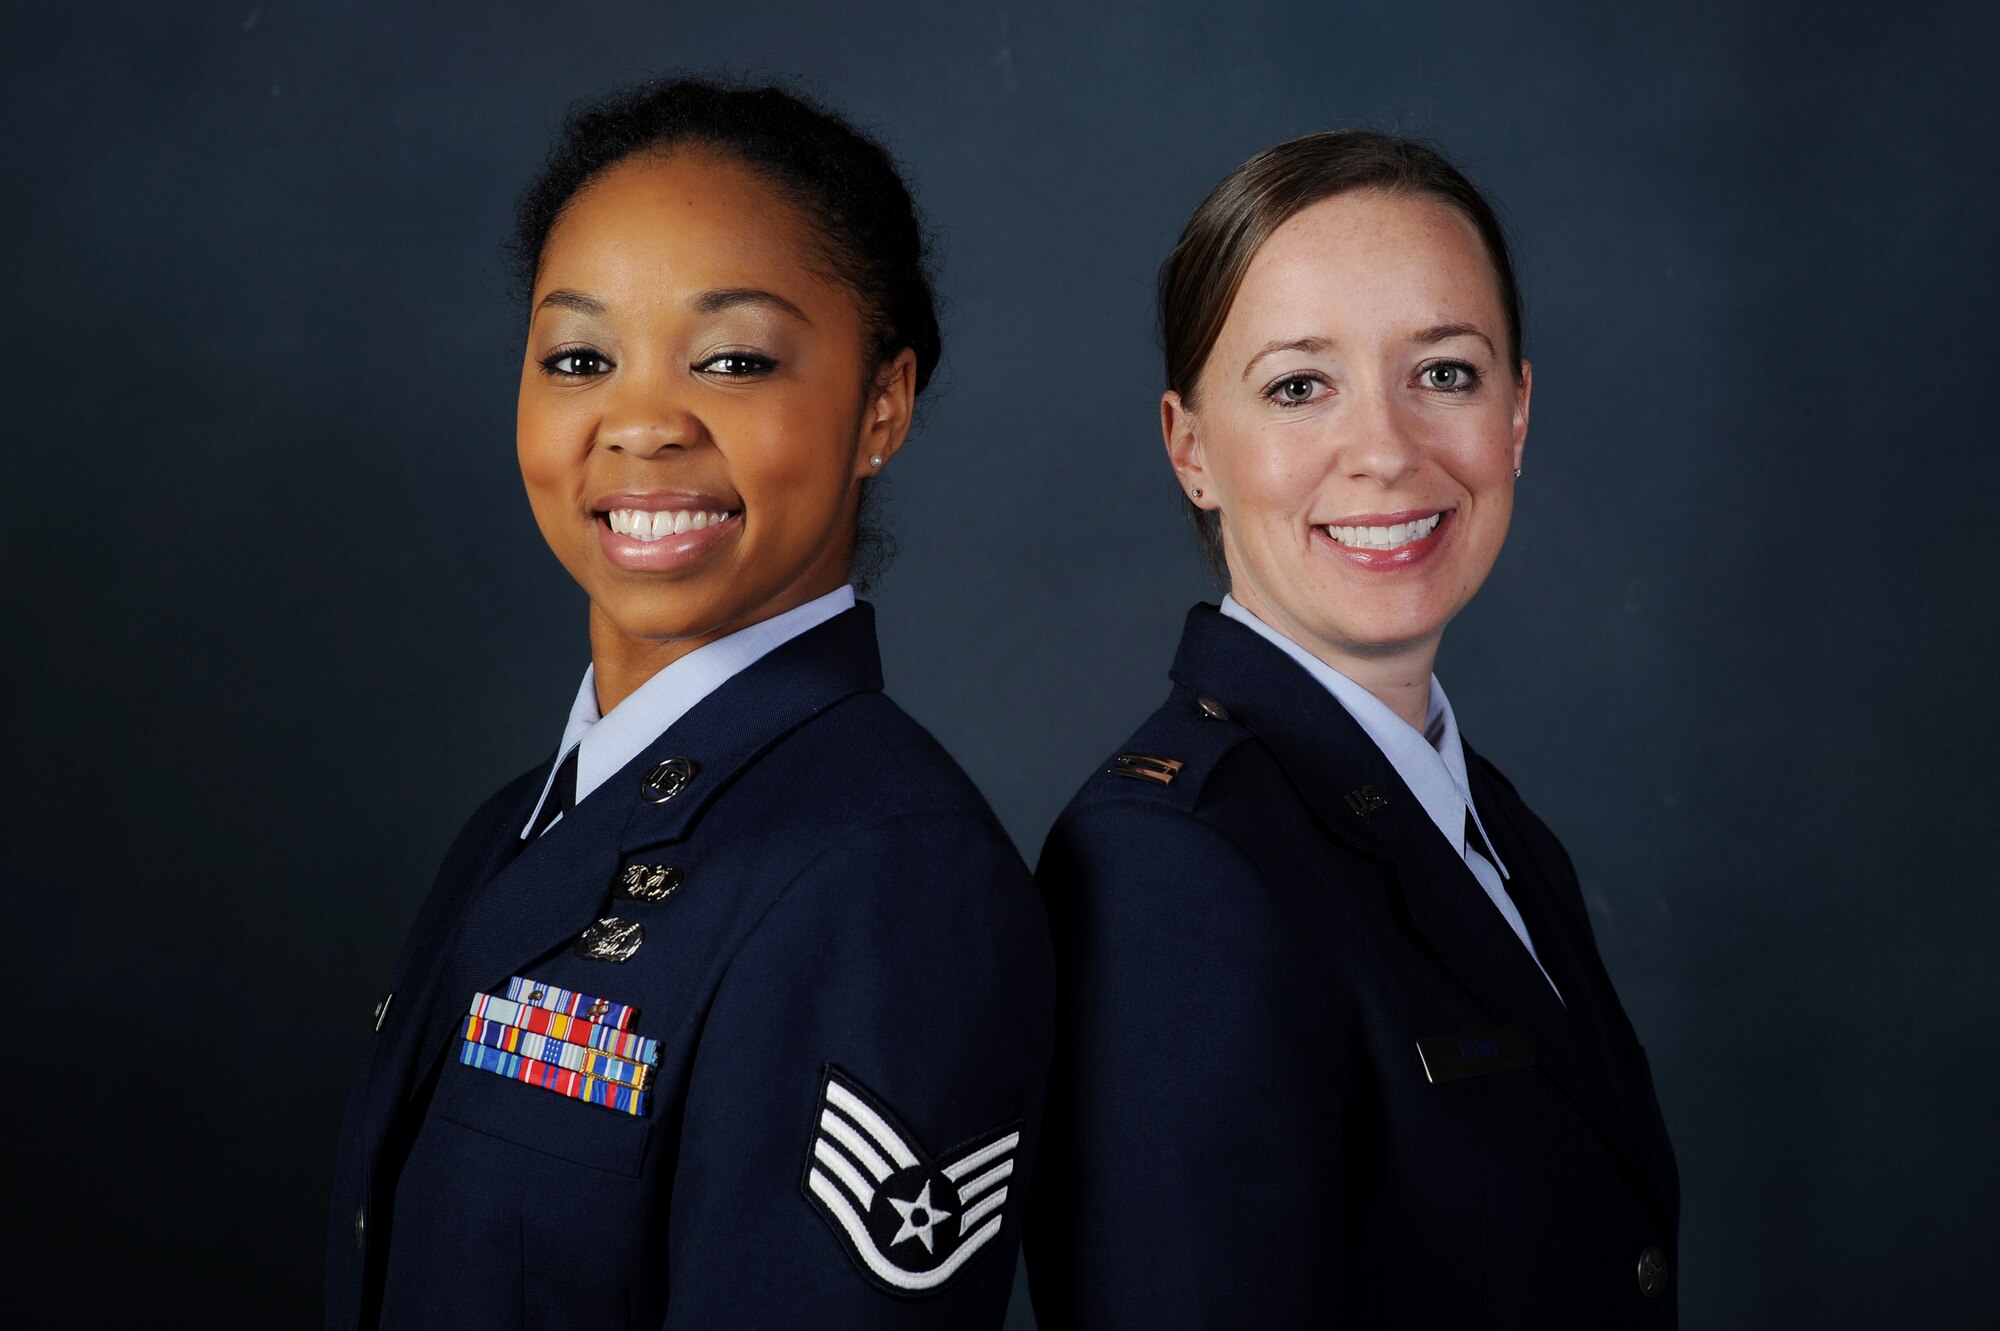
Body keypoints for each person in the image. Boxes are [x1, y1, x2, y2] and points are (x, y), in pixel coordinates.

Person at [325, 78, 1053, 1331]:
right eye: (579, 357)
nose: (643, 423)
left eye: (732, 359)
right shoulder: (522, 824)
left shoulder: (887, 879)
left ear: (882, 403)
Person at [1026, 131, 1679, 1327]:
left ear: (1517, 412)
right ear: (1190, 448)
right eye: (1296, 385)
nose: (1384, 449)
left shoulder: (1494, 829)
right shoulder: (1173, 867)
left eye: (1443, 373)